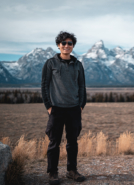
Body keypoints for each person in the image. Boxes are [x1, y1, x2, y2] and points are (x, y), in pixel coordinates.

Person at [41, 31, 86, 185]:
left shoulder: (78, 65)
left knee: (72, 142)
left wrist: (81, 105)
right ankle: (52, 173)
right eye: (64, 43)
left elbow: (82, 86)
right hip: (56, 109)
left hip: (74, 109)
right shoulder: (50, 64)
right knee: (54, 142)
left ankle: (72, 171)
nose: (67, 46)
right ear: (58, 45)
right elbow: (44, 85)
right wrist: (48, 106)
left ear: (72, 46)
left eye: (70, 43)